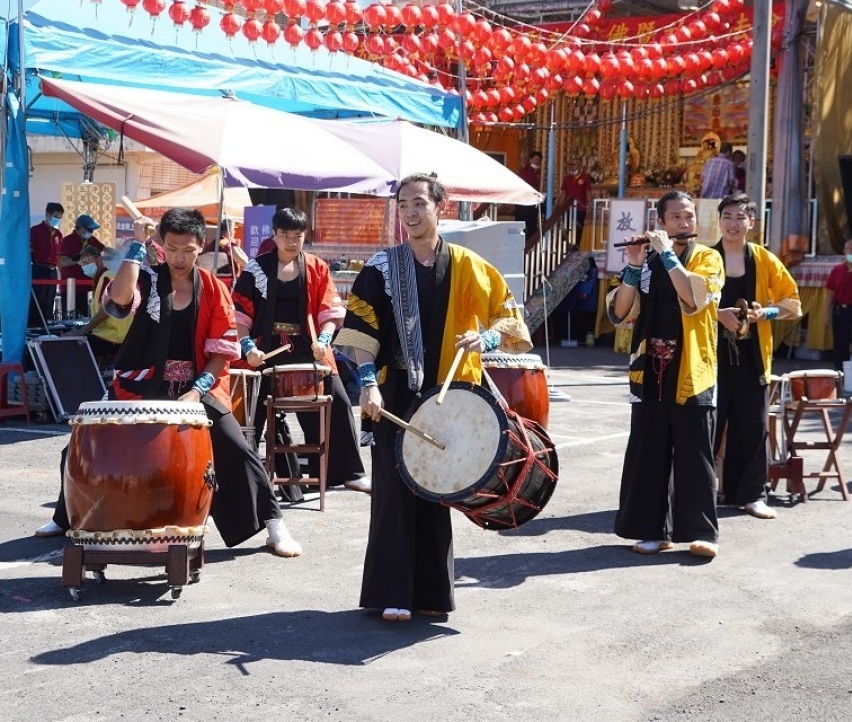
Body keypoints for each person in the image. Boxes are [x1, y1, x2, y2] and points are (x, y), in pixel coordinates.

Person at [35, 208, 302, 556]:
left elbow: (223, 350)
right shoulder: (145, 277)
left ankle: (274, 525)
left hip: (198, 384)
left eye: (188, 250)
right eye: (172, 247)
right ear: (161, 243)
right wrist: (136, 244)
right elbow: (118, 299)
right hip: (141, 382)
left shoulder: (212, 287)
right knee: (85, 441)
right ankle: (66, 515)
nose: (179, 257)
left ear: (201, 246)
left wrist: (197, 391)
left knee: (235, 446)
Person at [337, 173, 532, 623]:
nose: (410, 212)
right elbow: (360, 333)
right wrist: (368, 381)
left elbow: (510, 318)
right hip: (394, 394)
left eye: (419, 203)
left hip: (447, 398)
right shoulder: (381, 267)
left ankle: (430, 594)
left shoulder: (469, 265)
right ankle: (391, 593)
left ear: (439, 207)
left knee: (434, 491)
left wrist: (484, 338)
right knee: (392, 495)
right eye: (403, 204)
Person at [608, 190, 724, 557]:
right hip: (650, 366)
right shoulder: (647, 261)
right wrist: (631, 263)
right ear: (660, 222)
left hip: (692, 367)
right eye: (676, 217)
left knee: (695, 452)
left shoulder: (707, 257)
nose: (684, 222)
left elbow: (694, 297)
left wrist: (670, 255)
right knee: (649, 450)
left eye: (689, 216)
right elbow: (621, 312)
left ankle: (701, 532)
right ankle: (652, 531)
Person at [232, 207, 370, 497]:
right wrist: (249, 348)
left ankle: (348, 474)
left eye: (298, 236)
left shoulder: (317, 267)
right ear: (275, 235)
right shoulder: (256, 269)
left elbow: (329, 311)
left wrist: (323, 340)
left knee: (341, 402)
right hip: (264, 349)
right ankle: (240, 477)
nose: (292, 242)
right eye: (285, 236)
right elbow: (240, 316)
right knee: (247, 410)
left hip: (309, 350)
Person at [712, 193, 801, 519]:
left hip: (751, 357)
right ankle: (703, 493)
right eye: (728, 216)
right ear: (718, 220)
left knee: (752, 427)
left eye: (740, 217)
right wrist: (717, 312)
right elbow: (687, 306)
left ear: (751, 222)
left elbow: (793, 304)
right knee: (708, 428)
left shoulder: (763, 259)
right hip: (711, 358)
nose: (734, 223)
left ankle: (751, 494)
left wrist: (768, 313)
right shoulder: (705, 257)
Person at [65, 245, 125, 370]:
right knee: (70, 336)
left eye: (87, 260)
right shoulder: (100, 279)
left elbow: (107, 311)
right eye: (82, 262)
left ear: (99, 260)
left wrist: (83, 330)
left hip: (115, 337)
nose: (84, 264)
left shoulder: (107, 277)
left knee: (72, 344)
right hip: (109, 334)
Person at [824, 239, 852, 369]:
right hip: (840, 310)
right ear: (844, 251)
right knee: (840, 343)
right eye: (850, 250)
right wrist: (826, 314)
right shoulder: (837, 270)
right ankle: (839, 373)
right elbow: (830, 293)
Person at [58, 214, 106, 317]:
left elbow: (106, 250)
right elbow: (62, 262)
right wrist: (80, 259)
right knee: (70, 318)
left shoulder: (91, 240)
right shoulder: (68, 240)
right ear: (80, 228)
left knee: (84, 317)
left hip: (86, 287)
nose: (91, 232)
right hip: (70, 288)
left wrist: (121, 255)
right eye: (89, 229)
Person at [29, 202, 64, 324]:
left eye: (60, 217)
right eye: (55, 216)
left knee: (50, 301)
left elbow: (60, 257)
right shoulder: (35, 231)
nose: (57, 220)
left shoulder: (59, 235)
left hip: (53, 271)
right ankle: (34, 327)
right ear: (47, 214)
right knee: (37, 301)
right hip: (39, 269)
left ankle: (48, 327)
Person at [560, 156, 592, 247]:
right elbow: (563, 193)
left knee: (578, 229)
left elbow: (588, 192)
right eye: (570, 164)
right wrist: (560, 207)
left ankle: (576, 248)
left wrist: (590, 206)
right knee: (566, 229)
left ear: (579, 166)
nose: (571, 166)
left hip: (580, 209)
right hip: (567, 209)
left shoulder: (585, 178)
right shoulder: (567, 178)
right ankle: (565, 248)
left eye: (573, 164)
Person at [515, 151, 543, 245]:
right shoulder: (525, 171)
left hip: (532, 203)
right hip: (523, 203)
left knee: (532, 226)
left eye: (539, 160)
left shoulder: (537, 173)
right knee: (522, 225)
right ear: (531, 160)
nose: (537, 162)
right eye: (535, 159)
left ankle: (529, 245)